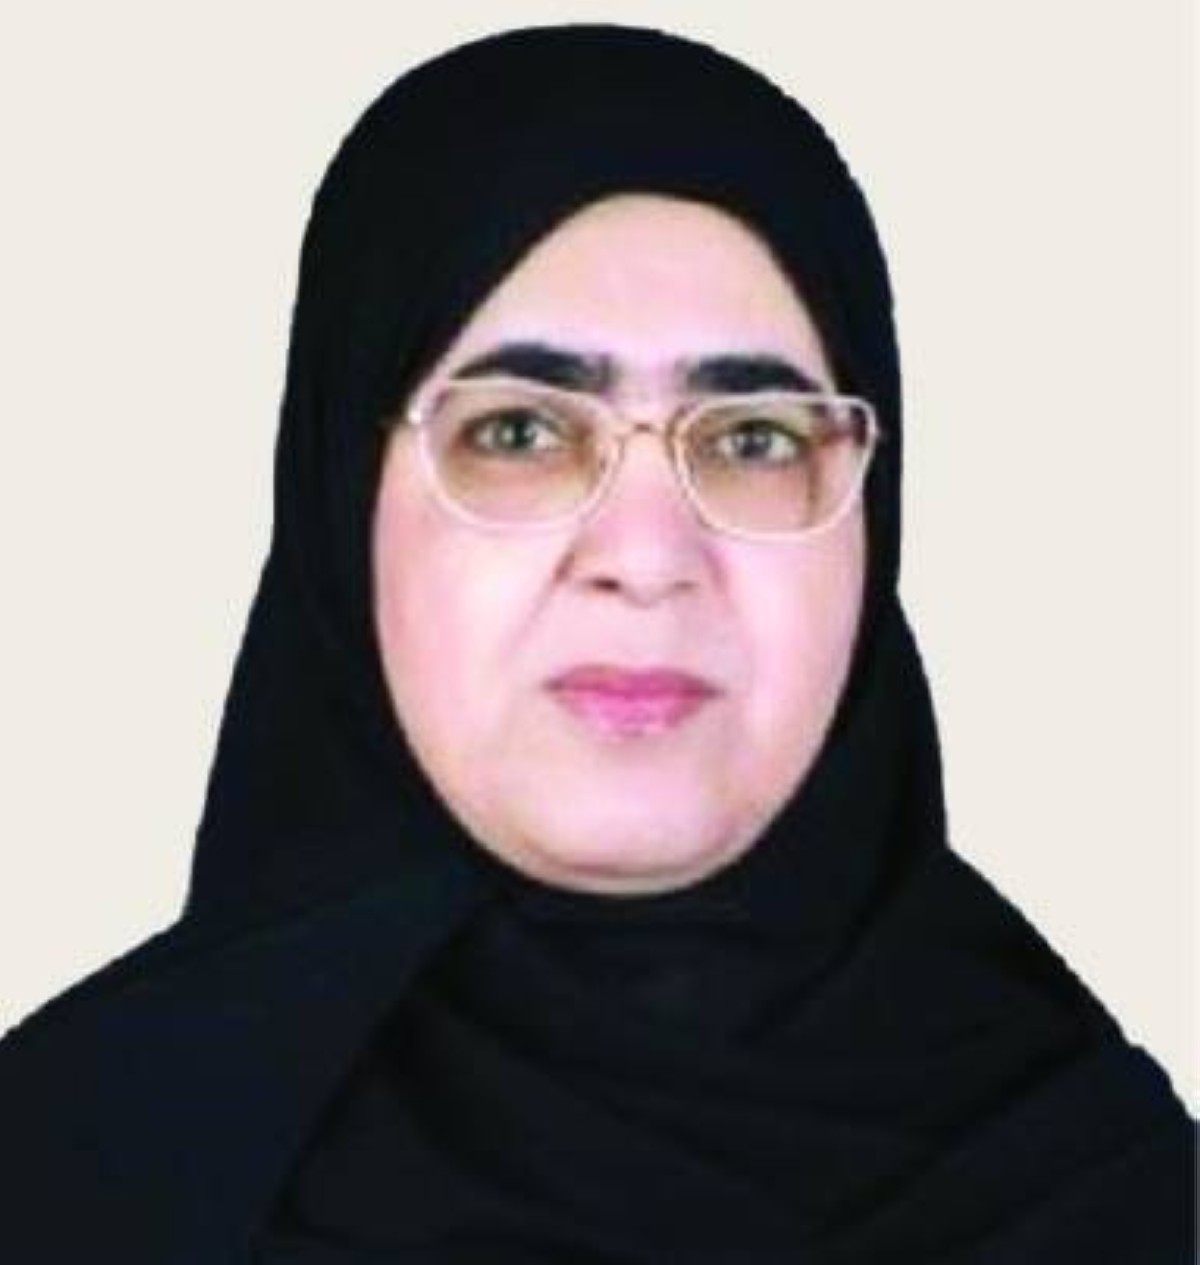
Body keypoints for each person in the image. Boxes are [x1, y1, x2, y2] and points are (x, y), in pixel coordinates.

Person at [0, 22, 1193, 1263]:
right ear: (339, 503)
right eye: (518, 432)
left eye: (754, 439)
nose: (647, 554)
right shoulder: (65, 1181)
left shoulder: (1119, 1190)